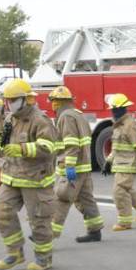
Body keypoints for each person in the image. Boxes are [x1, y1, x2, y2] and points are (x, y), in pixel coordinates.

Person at [0, 79, 58, 270]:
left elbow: (48, 147)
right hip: (12, 177)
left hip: (35, 179)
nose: (8, 104)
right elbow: (5, 145)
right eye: (7, 100)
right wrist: (0, 147)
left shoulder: (40, 120)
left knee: (39, 220)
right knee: (2, 210)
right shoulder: (10, 119)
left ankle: (43, 258)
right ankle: (15, 252)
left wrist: (22, 149)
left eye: (12, 100)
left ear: (26, 99)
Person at [48, 85, 104, 242]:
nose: (52, 105)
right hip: (84, 167)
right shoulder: (78, 115)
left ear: (58, 102)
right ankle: (95, 231)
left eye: (54, 101)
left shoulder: (66, 116)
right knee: (86, 200)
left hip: (73, 167)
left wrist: (69, 166)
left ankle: (47, 234)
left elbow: (71, 144)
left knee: (62, 198)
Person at [102, 93, 136, 231]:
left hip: (129, 164)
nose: (112, 112)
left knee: (119, 191)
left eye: (114, 109)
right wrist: (108, 161)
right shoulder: (118, 125)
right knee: (126, 189)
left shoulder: (130, 125)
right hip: (120, 164)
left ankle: (124, 222)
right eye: (112, 109)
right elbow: (116, 147)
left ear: (121, 109)